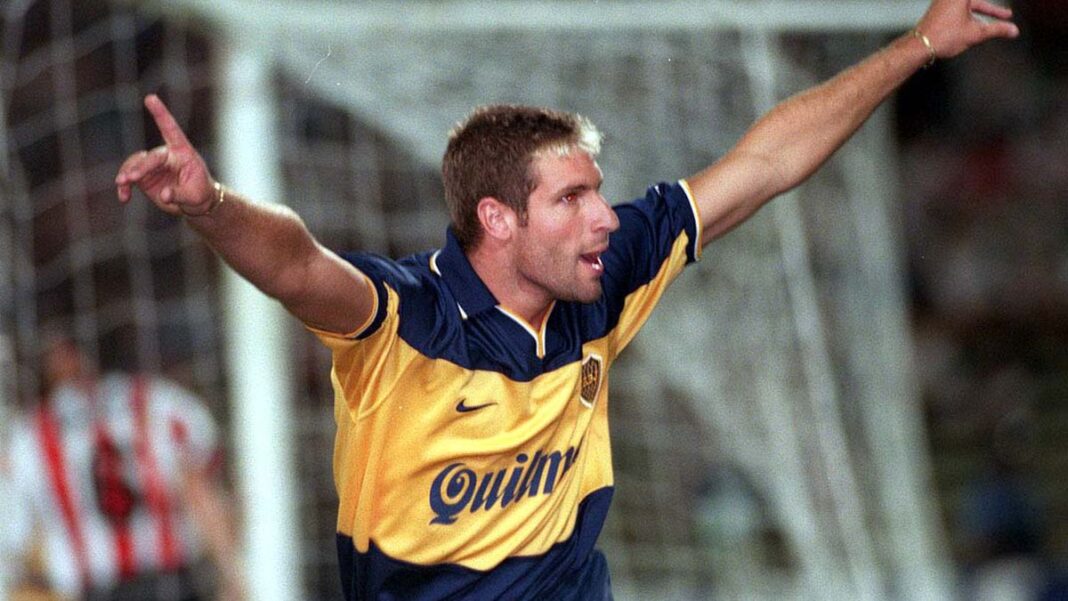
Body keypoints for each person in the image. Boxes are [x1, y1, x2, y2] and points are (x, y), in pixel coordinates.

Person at [113, 1, 1017, 598]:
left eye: (599, 192)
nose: (604, 217)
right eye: (573, 199)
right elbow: (296, 264)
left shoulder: (604, 275)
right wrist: (211, 204)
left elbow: (764, 163)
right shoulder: (406, 319)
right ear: (498, 219)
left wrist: (918, 45)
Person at [4, 334, 246, 601]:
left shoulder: (30, 434)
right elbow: (200, 491)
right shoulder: (160, 401)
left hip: (126, 583)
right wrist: (232, 571)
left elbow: (20, 536)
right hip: (165, 582)